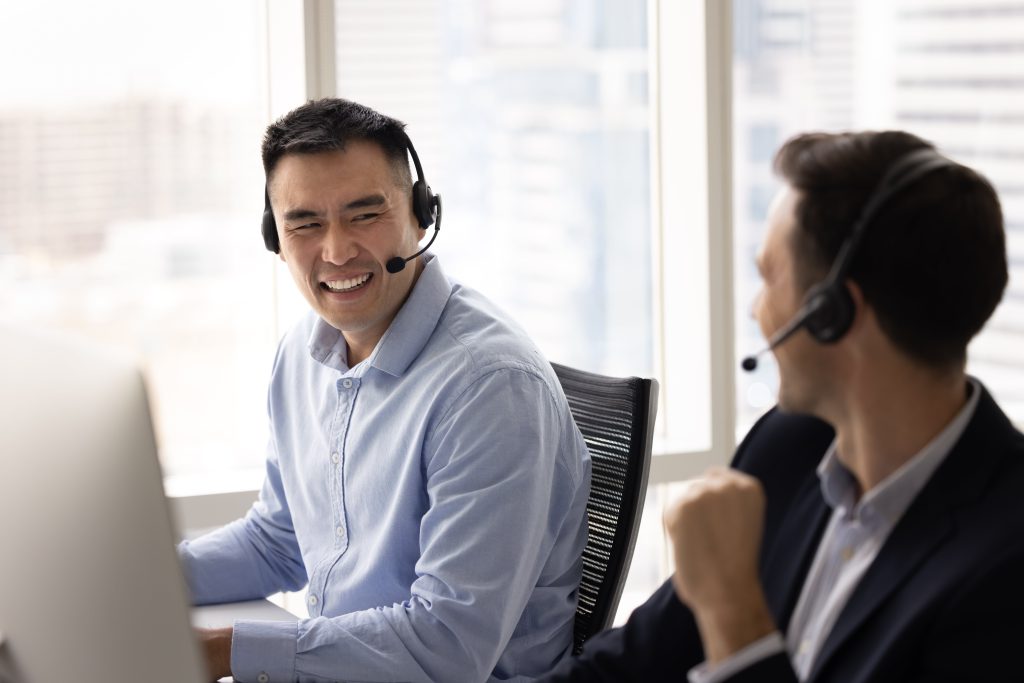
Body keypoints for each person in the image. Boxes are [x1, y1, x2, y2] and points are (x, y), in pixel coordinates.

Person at [541, 130, 1024, 682]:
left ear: (832, 314)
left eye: (769, 276)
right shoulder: (788, 448)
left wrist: (733, 612)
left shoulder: (1005, 568)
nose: (755, 310)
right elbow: (631, 665)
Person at [179, 98, 592, 683]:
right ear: (276, 237)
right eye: (305, 223)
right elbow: (279, 542)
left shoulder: (490, 388)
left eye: (365, 215)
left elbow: (445, 645)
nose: (338, 250)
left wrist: (225, 653)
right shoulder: (304, 353)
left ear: (422, 217)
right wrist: (132, 583)